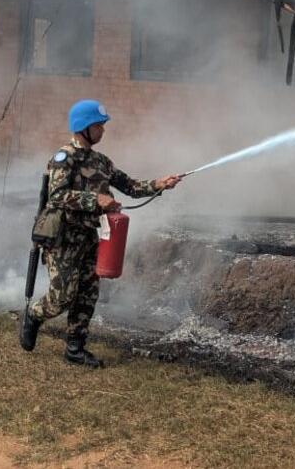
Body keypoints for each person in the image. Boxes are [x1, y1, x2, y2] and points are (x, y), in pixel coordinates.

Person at [20, 99, 184, 367]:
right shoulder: (64, 159)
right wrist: (96, 200)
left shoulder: (102, 162)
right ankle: (35, 315)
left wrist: (159, 183)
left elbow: (129, 186)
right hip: (63, 240)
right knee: (62, 297)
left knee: (87, 294)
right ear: (84, 128)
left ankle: (75, 348)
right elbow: (58, 196)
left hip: (90, 238)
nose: (103, 131)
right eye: (99, 126)